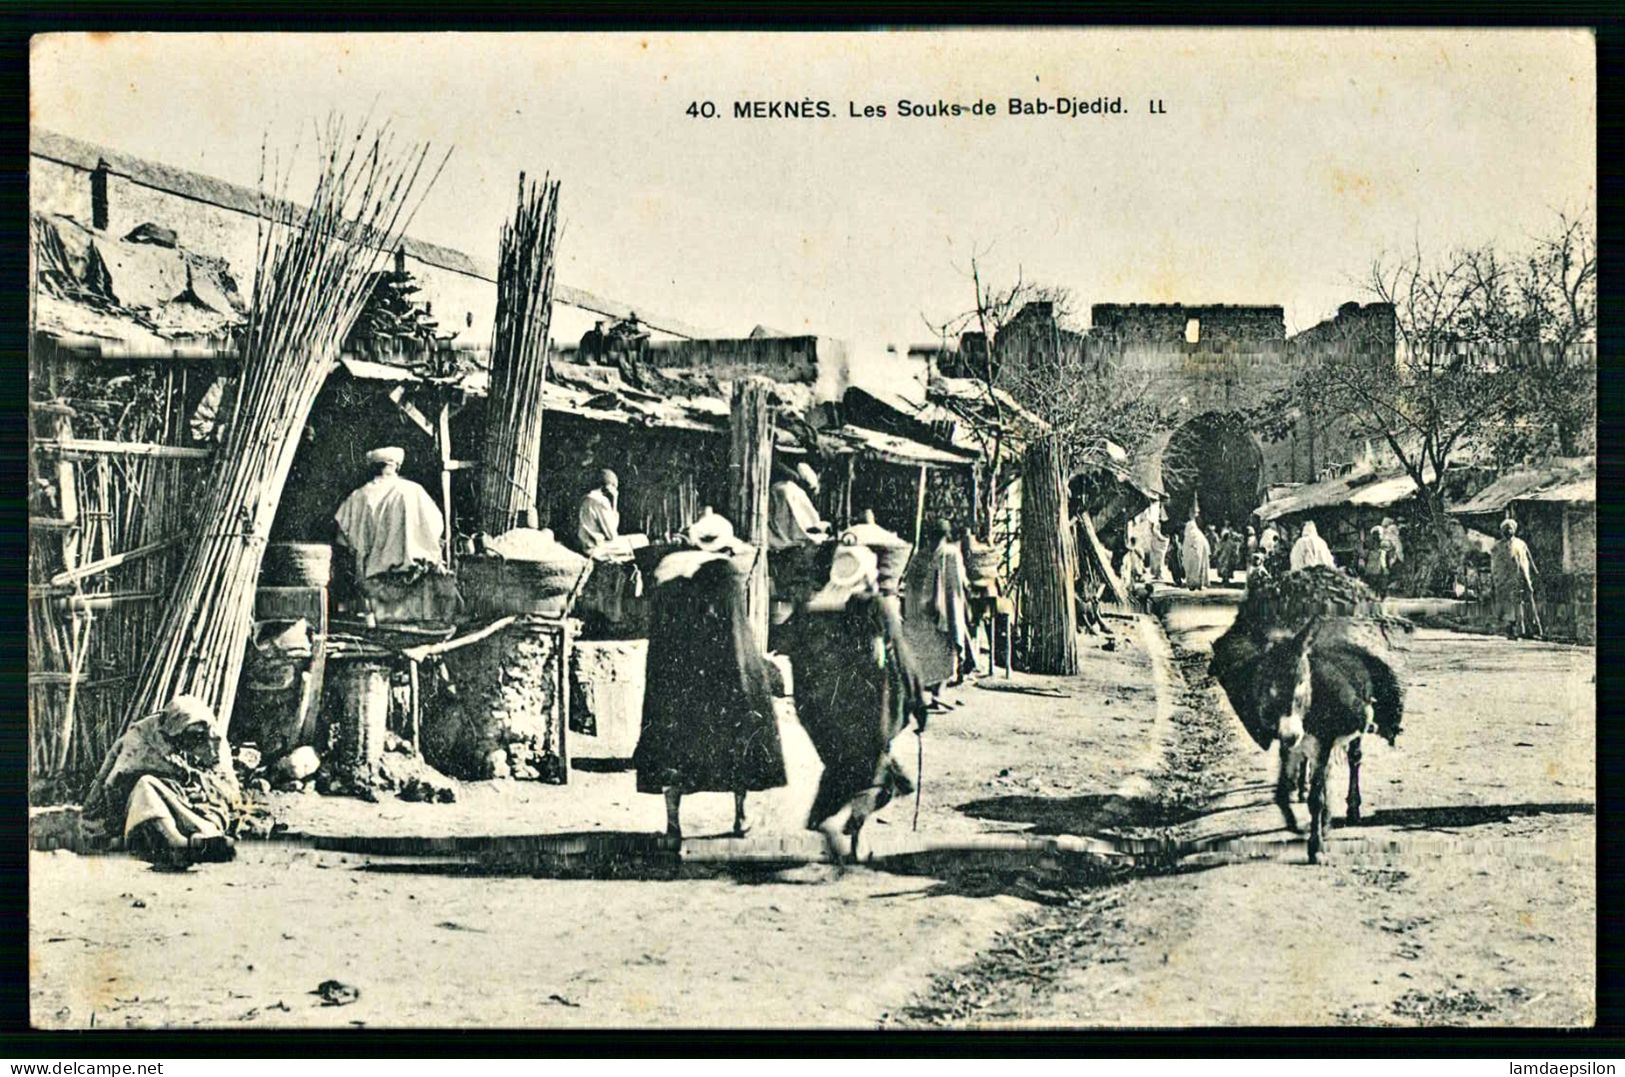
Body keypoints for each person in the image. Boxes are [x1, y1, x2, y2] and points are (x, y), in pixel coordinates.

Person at [633, 511, 785, 839]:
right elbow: (736, 632)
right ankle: (741, 816)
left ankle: (673, 825)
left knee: (673, 748)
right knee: (738, 739)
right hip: (721, 677)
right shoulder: (727, 574)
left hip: (677, 677)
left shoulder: (666, 571)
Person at [776, 540, 928, 863]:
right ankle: (852, 831)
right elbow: (902, 658)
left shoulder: (811, 611)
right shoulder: (876, 607)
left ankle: (835, 827)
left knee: (841, 773)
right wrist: (917, 701)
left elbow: (789, 652)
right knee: (876, 778)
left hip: (824, 719)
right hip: (870, 717)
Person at [83, 696, 246, 868]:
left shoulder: (214, 742)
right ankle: (177, 842)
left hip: (194, 804)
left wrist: (198, 785)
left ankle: (200, 840)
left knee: (209, 818)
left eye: (198, 735)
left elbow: (228, 791)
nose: (192, 741)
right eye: (188, 734)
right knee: (145, 786)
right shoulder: (143, 735)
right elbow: (116, 780)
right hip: (147, 807)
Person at [334, 447, 457, 621]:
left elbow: (342, 540)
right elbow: (436, 528)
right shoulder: (414, 491)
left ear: (374, 467)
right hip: (412, 583)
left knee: (381, 629)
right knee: (413, 629)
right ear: (396, 466)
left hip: (373, 586)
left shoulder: (358, 496)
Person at [927, 519, 979, 685]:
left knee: (947, 633)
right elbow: (962, 577)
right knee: (957, 628)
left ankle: (953, 671)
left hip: (941, 597)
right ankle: (962, 666)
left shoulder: (936, 553)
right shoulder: (952, 552)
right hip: (954, 597)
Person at [1491, 517, 1542, 639]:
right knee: (1510, 607)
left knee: (1526, 602)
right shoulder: (1497, 547)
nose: (1508, 531)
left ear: (1514, 530)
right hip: (1505, 581)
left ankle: (1531, 630)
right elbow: (1494, 565)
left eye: (1510, 528)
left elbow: (1528, 558)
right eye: (1506, 529)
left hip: (1522, 577)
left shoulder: (1521, 543)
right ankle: (1513, 631)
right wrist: (1496, 579)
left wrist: (1534, 572)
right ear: (1502, 531)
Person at [768, 462, 831, 550]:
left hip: (792, 485)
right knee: (786, 493)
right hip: (779, 485)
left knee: (797, 495)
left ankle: (806, 525)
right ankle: (791, 531)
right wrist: (792, 475)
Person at [576, 469, 622, 553]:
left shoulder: (586, 498)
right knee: (641, 539)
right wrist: (615, 501)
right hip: (595, 548)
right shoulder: (601, 501)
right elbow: (612, 535)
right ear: (609, 487)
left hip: (583, 543)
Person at [1181, 516, 1212, 591]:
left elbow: (1185, 547)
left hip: (1190, 556)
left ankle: (1192, 584)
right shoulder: (1199, 534)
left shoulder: (1189, 535)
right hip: (1199, 556)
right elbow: (1206, 545)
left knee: (1191, 569)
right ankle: (1199, 584)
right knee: (1200, 568)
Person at [1361, 524, 1391, 598]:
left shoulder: (1383, 548)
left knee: (1378, 588)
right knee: (1373, 588)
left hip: (1376, 570)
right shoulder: (1371, 547)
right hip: (1372, 570)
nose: (1377, 537)